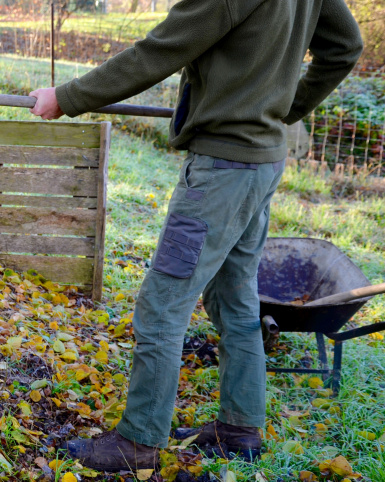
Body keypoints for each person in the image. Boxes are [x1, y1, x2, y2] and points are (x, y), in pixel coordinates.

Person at [29, 0, 362, 472]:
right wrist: (286, 107)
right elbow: (345, 46)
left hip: (221, 174)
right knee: (236, 298)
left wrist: (67, 96)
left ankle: (139, 440)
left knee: (162, 304)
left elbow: (157, 51)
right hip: (262, 162)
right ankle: (240, 428)